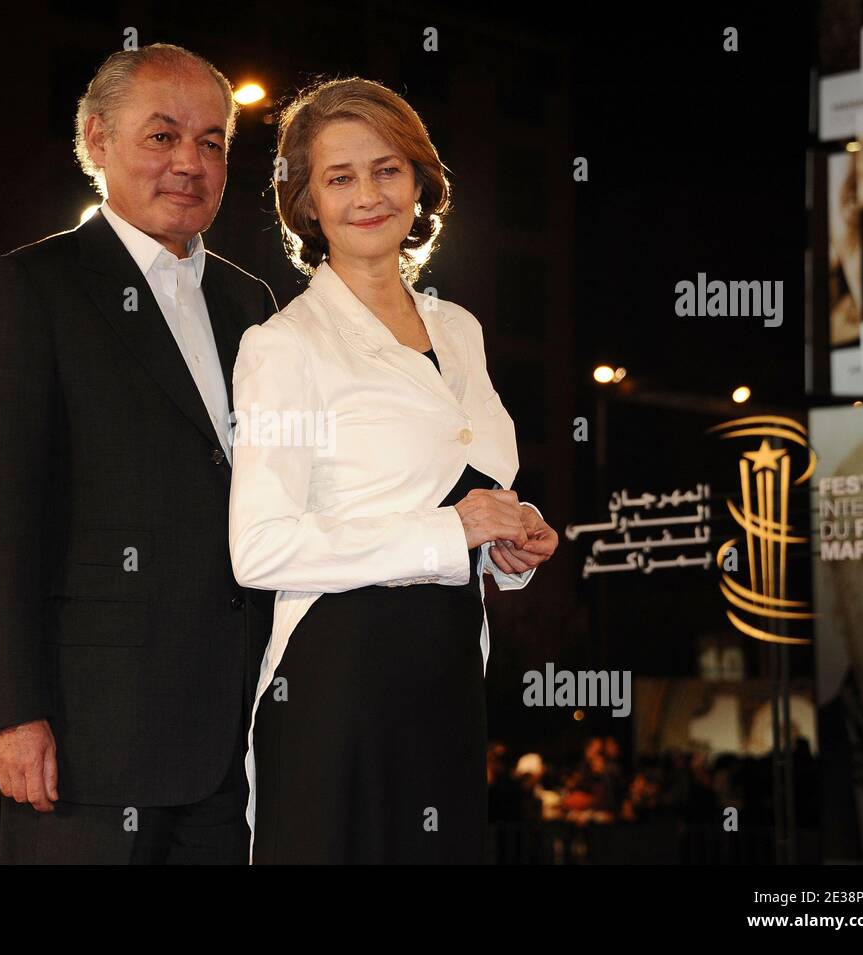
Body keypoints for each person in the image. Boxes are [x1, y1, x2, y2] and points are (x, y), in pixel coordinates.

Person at [0, 43, 277, 863]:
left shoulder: (254, 304)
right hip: (88, 742)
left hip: (238, 739)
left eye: (211, 142)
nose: (189, 164)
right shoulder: (30, 288)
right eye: (161, 136)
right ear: (97, 141)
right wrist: (7, 709)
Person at [228, 77, 558, 863]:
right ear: (306, 203)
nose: (368, 195)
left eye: (387, 169)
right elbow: (260, 548)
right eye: (339, 177)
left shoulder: (461, 329)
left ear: (420, 181)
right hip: (336, 678)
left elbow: (461, 491)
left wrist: (511, 541)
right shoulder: (284, 345)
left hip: (445, 673)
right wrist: (454, 530)